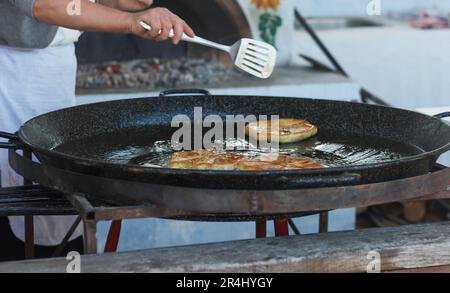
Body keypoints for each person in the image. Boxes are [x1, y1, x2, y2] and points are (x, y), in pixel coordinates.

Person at [0, 0, 194, 260]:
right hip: (10, 68)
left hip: (54, 67)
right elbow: (46, 6)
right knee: (20, 187)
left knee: (56, 184)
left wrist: (131, 6)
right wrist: (129, 21)